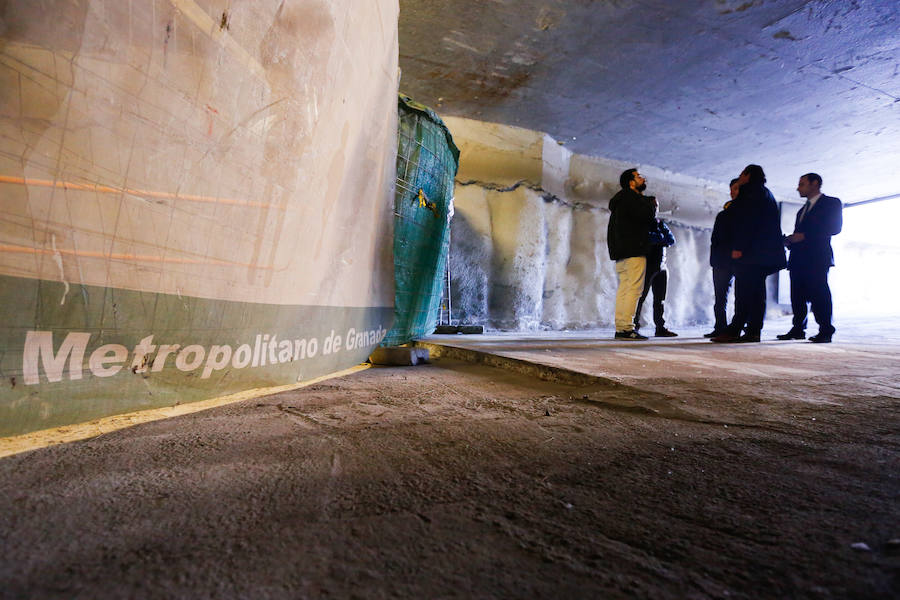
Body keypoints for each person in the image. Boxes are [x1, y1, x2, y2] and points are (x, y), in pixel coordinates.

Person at [711, 165, 786, 343]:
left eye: (741, 175)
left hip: (751, 254)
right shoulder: (765, 193)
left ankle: (736, 329)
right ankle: (752, 331)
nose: (739, 178)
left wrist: (739, 247)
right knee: (756, 293)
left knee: (744, 292)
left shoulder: (751, 191)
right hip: (762, 255)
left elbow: (747, 223)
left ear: (748, 175)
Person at [777, 173, 843, 343]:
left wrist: (804, 236)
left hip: (817, 258)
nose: (798, 188)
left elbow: (835, 228)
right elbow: (800, 235)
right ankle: (798, 328)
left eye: (802, 184)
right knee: (797, 295)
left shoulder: (831, 203)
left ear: (815, 183)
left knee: (819, 294)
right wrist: (790, 241)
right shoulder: (801, 211)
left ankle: (826, 330)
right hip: (798, 258)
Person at [608, 168, 658, 340]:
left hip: (621, 252)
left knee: (624, 289)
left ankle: (621, 327)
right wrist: (653, 206)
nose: (643, 179)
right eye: (638, 177)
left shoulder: (619, 200)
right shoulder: (633, 199)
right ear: (631, 182)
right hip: (634, 249)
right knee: (635, 290)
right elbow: (647, 217)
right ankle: (627, 328)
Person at [704, 179, 739, 338]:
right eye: (731, 189)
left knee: (741, 296)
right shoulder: (723, 215)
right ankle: (720, 327)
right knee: (720, 296)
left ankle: (737, 327)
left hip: (738, 260)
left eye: (736, 188)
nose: (732, 192)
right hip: (721, 261)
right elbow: (716, 239)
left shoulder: (747, 213)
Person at [634, 218, 678, 337]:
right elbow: (647, 239)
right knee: (640, 298)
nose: (655, 210)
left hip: (662, 267)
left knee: (660, 300)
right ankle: (634, 326)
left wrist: (658, 239)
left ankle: (660, 327)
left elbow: (671, 240)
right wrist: (661, 238)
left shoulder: (660, 223)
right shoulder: (642, 224)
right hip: (648, 266)